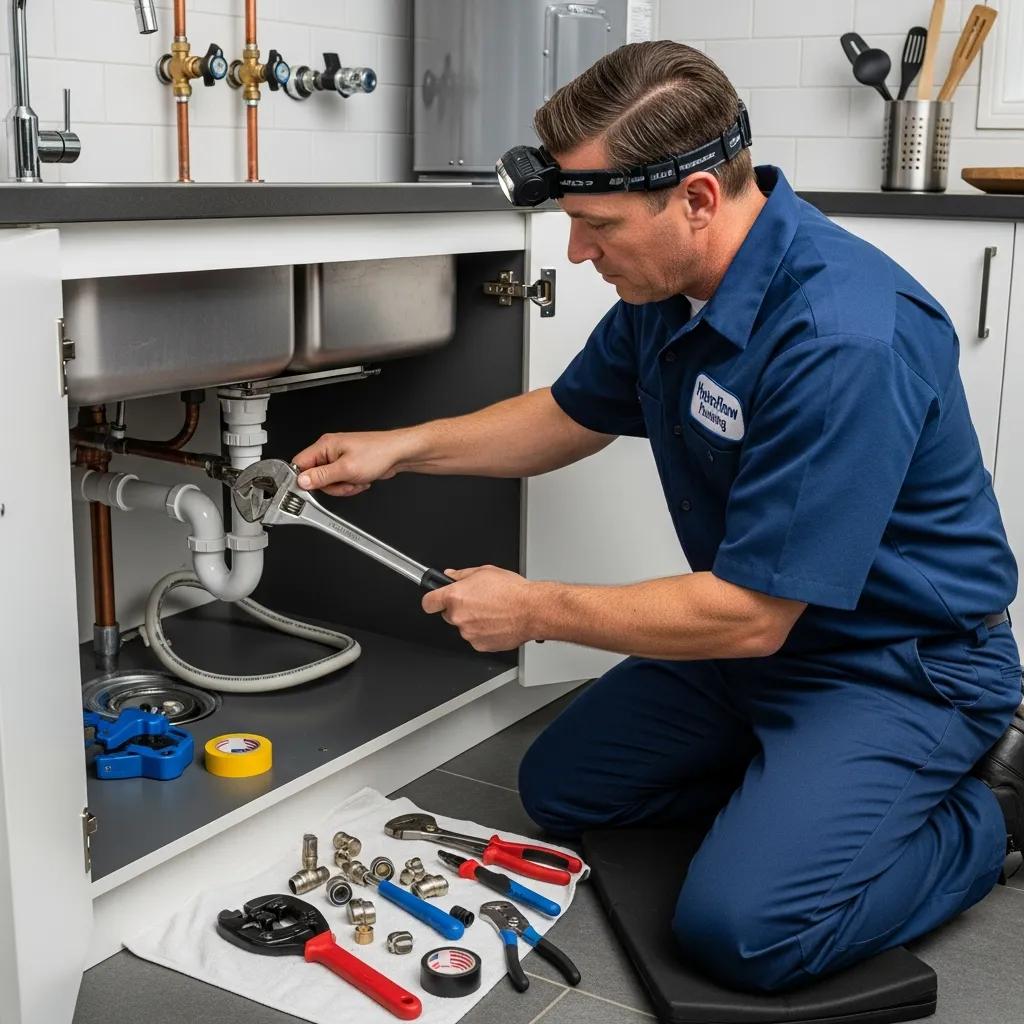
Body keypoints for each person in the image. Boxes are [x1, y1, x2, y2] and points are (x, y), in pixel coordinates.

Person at [293, 41, 1024, 993]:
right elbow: (570, 414)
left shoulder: (842, 337)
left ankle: (990, 815)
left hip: (897, 665)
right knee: (564, 787)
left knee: (744, 933)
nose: (577, 251)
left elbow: (751, 614)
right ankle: (807, 792)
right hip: (756, 650)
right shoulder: (671, 287)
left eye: (596, 225)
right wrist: (401, 446)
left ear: (698, 199)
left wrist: (536, 609)